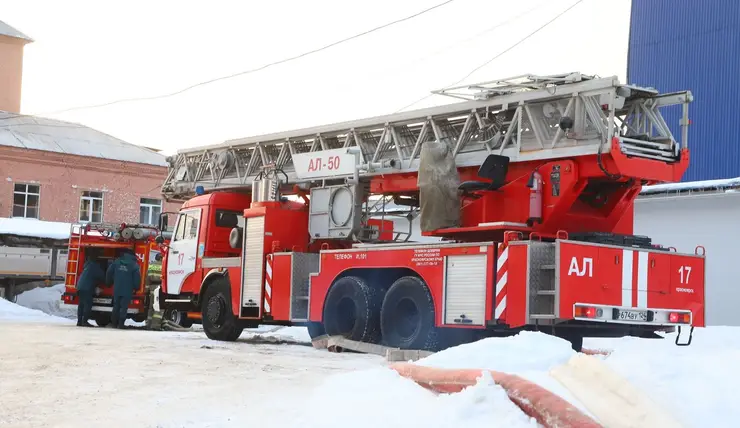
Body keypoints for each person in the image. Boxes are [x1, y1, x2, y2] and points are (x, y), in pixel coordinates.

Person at [106, 249, 141, 329]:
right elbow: (137, 279)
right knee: (123, 307)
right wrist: (136, 288)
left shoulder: (116, 262)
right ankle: (121, 324)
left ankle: (114, 323)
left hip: (117, 289)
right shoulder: (134, 265)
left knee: (116, 306)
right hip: (127, 290)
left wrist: (108, 283)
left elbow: (109, 272)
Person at [76, 251, 105, 327]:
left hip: (79, 287)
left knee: (81, 305)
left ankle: (79, 322)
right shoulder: (95, 267)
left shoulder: (87, 266)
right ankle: (84, 321)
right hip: (87, 289)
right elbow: (103, 277)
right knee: (87, 305)